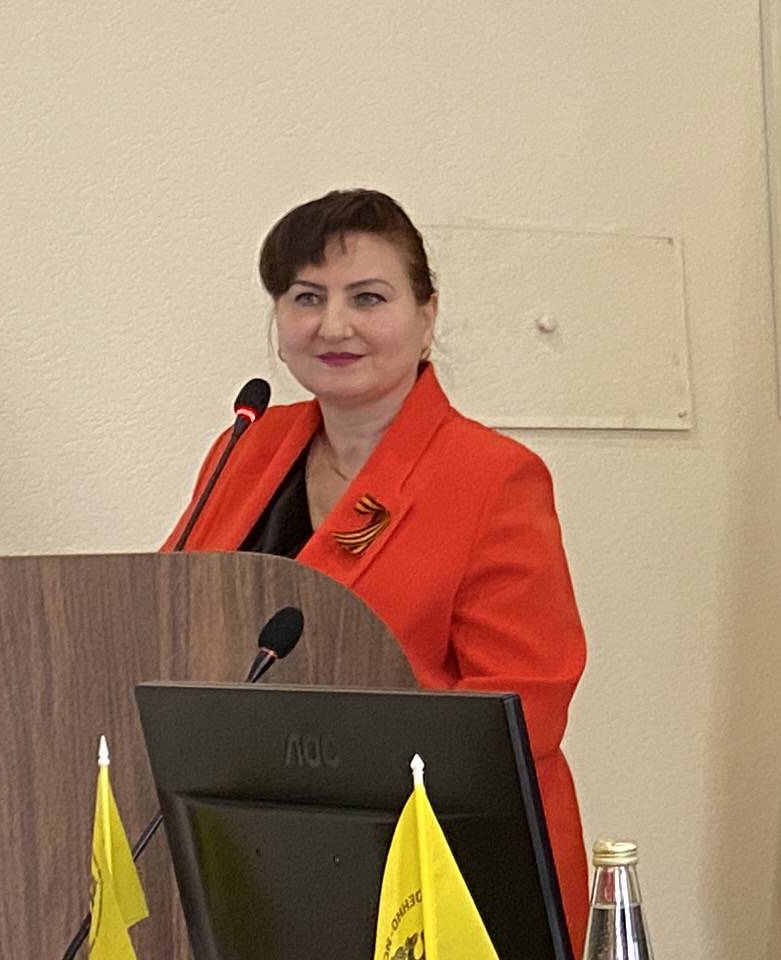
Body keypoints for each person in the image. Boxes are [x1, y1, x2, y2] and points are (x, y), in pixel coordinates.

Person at [167, 189, 590, 872]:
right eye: (307, 298)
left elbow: (523, 704)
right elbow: (166, 619)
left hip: (437, 855)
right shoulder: (245, 446)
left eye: (367, 298)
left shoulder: (493, 476)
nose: (334, 326)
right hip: (252, 842)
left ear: (427, 315)